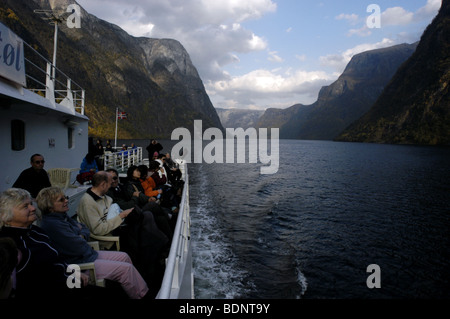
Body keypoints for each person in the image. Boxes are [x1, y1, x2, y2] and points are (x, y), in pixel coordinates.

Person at [36, 187, 149, 299]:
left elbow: (84, 229)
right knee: (126, 269)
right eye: (61, 200)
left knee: (124, 256)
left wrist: (80, 235)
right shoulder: (53, 225)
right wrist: (80, 234)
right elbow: (78, 246)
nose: (66, 200)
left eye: (65, 197)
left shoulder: (62, 216)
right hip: (80, 264)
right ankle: (141, 295)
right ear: (50, 207)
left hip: (88, 254)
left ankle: (129, 289)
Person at [77, 171, 169, 295]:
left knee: (147, 218)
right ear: (103, 184)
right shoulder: (88, 202)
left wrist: (123, 215)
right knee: (147, 221)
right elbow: (98, 229)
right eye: (109, 183)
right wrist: (121, 216)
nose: (111, 186)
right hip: (110, 237)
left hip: (120, 228)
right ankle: (160, 253)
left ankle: (157, 258)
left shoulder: (106, 198)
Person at [0, 188, 91, 299]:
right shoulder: (11, 246)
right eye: (25, 206)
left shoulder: (35, 231)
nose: (33, 208)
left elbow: (57, 258)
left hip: (70, 283)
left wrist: (74, 274)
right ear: (6, 216)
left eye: (31, 204)